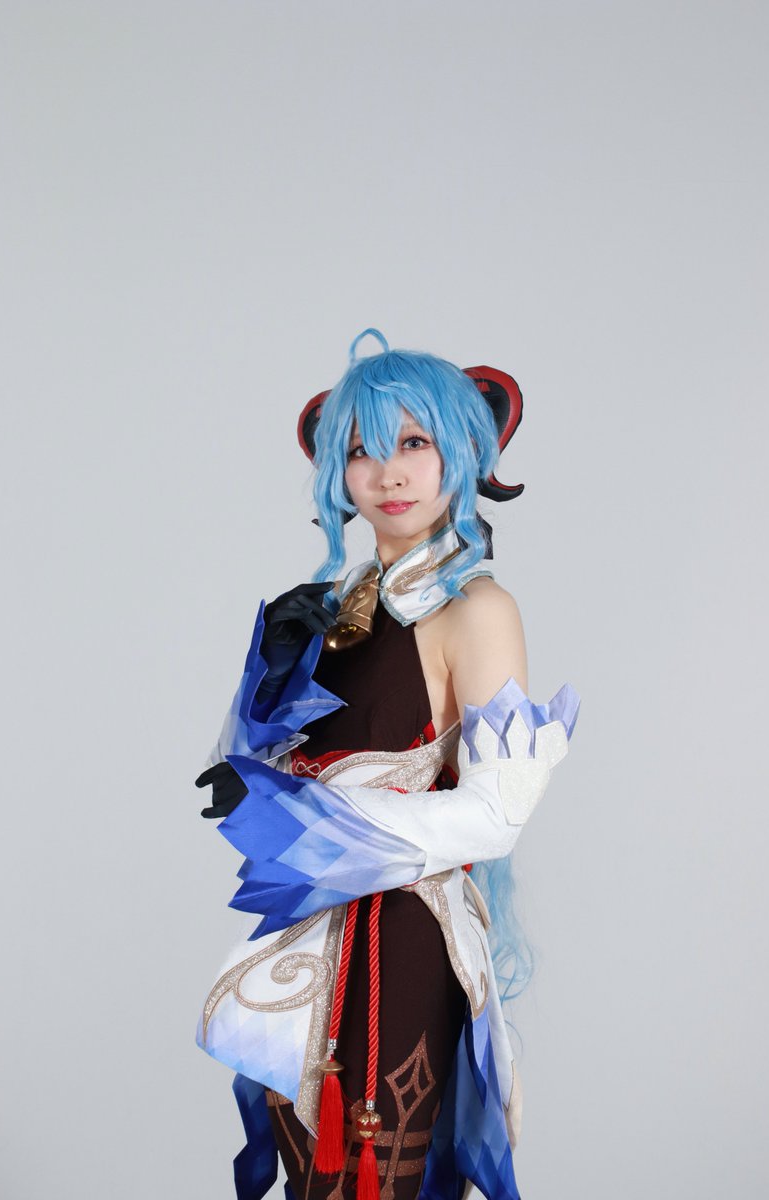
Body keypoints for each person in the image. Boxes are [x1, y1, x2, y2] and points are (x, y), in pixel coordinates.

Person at [195, 328, 580, 1200]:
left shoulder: (478, 610)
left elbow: (497, 813)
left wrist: (306, 822)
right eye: (362, 450)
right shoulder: (324, 612)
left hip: (398, 933)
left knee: (375, 1176)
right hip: (306, 932)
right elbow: (249, 778)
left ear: (463, 450)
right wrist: (256, 711)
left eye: (412, 442)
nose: (388, 473)